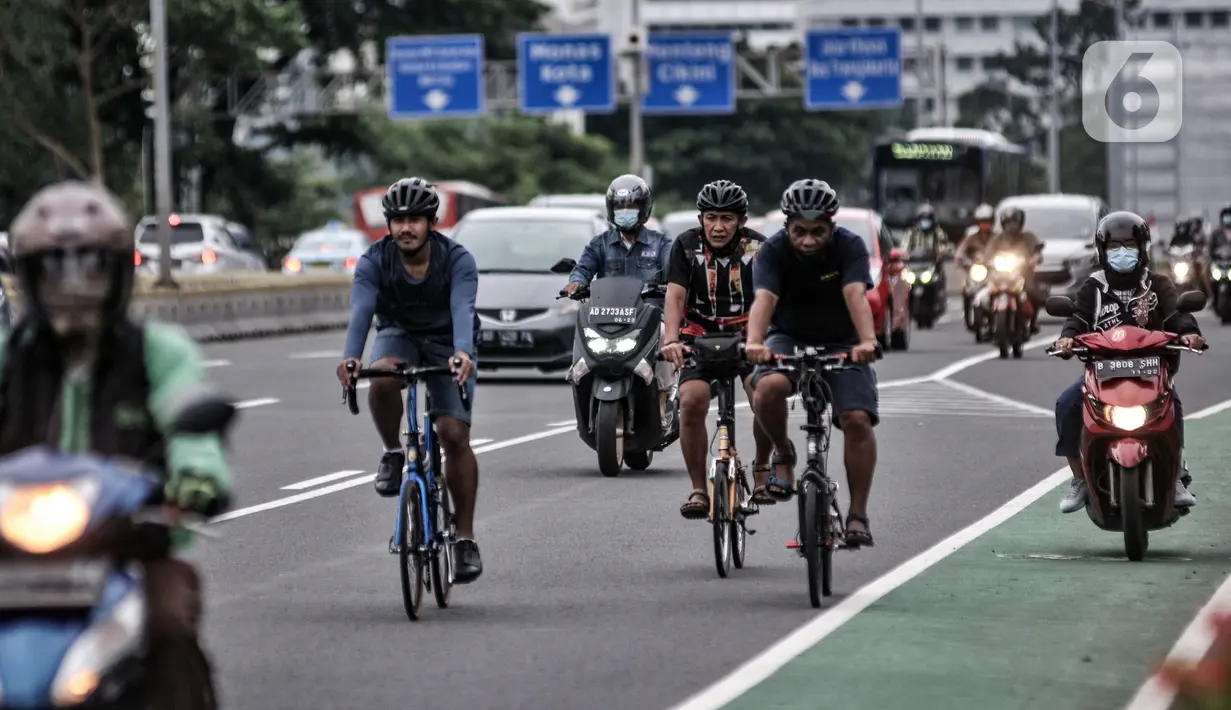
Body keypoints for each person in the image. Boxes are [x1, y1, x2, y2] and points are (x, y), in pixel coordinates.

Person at [0, 181, 232, 710]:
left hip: (131, 547)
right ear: (31, 279)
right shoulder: (8, 356)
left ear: (118, 274)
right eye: (55, 269)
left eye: (90, 267)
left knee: (170, 628)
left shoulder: (159, 352)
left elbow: (191, 421)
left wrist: (197, 479)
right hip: (10, 554)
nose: (73, 284)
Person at [335, 177, 484, 583]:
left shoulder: (457, 259)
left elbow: (462, 308)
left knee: (453, 432)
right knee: (381, 376)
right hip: (398, 333)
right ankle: (391, 452)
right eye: (398, 220)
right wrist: (350, 358)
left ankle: (465, 539)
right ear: (388, 224)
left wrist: (463, 353)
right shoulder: (372, 261)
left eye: (414, 220)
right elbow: (362, 312)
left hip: (449, 339)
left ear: (431, 222)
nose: (405, 228)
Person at [743, 179, 881, 547]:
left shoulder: (849, 246)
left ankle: (857, 515)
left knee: (857, 418)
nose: (807, 240)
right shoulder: (772, 251)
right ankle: (784, 454)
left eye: (817, 231)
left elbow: (856, 295)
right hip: (788, 336)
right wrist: (754, 342)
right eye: (799, 231)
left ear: (831, 226)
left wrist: (867, 341)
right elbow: (764, 299)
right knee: (767, 387)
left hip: (844, 341)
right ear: (787, 227)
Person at [1052, 211, 1202, 514]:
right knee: (1067, 405)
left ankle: (1175, 477)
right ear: (1102, 250)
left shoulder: (1158, 284)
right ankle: (1080, 478)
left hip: (1152, 375)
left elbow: (1178, 314)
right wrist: (1066, 339)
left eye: (1130, 245)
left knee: (1172, 405)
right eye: (1115, 245)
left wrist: (1189, 334)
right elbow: (1076, 319)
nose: (1122, 252)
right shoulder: (1092, 288)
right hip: (1102, 377)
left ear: (1143, 248)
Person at [660, 180, 774, 519]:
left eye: (727, 218)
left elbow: (769, 299)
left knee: (765, 397)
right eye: (711, 218)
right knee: (691, 402)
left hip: (748, 336)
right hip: (699, 337)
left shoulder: (760, 248)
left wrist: (764, 341)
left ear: (741, 220)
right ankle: (698, 489)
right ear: (701, 219)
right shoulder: (684, 246)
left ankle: (762, 469)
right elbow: (675, 296)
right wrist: (670, 340)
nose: (718, 227)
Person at [564, 174, 676, 424]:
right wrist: (576, 282)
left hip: (647, 318)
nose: (625, 212)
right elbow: (583, 268)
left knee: (665, 339)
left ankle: (662, 400)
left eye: (632, 207)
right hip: (607, 318)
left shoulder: (661, 243)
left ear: (644, 209)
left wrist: (673, 281)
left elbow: (674, 269)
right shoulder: (599, 244)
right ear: (611, 210)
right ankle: (580, 379)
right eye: (620, 207)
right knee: (582, 335)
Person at [984, 205, 1044, 334]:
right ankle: (989, 323)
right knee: (987, 294)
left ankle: (1032, 322)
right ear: (1003, 224)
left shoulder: (1028, 237)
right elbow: (988, 253)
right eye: (1008, 223)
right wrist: (986, 261)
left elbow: (1037, 252)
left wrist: (1034, 259)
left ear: (1020, 223)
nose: (1011, 226)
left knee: (1033, 292)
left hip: (1022, 275)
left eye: (1014, 223)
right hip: (1000, 275)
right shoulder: (997, 238)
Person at [956, 203, 996, 268]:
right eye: (983, 221)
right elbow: (961, 249)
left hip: (994, 269)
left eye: (988, 221)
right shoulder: (971, 235)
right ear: (978, 222)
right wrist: (960, 259)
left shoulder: (997, 236)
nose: (985, 224)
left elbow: (1005, 249)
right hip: (975, 269)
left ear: (993, 221)